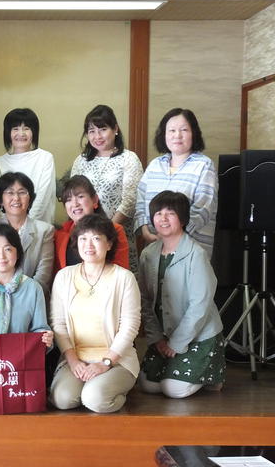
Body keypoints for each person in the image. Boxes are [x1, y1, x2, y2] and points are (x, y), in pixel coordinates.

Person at [49, 214, 141, 413]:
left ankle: (115, 392)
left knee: (94, 398)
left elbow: (130, 326)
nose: (88, 245)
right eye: (83, 238)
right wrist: (73, 361)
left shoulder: (124, 278)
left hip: (116, 360)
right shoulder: (64, 276)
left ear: (109, 244)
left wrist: (105, 363)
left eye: (96, 238)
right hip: (77, 359)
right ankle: (92, 386)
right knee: (62, 399)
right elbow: (58, 324)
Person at [138, 191, 225, 398]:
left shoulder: (196, 254)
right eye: (158, 213)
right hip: (164, 334)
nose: (163, 218)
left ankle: (211, 375)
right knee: (149, 385)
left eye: (170, 213)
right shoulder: (148, 254)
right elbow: (144, 301)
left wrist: (177, 343)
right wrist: (156, 338)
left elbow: (200, 305)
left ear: (183, 219)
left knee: (173, 390)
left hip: (198, 334)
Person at [60, 105, 143, 272]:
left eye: (103, 129)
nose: (97, 136)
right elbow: (72, 194)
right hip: (85, 239)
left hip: (116, 234)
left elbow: (130, 201)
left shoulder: (128, 158)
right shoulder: (81, 160)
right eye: (91, 131)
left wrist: (106, 232)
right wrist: (88, 235)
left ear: (115, 129)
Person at [135, 108, 217, 258]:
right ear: (164, 134)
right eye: (171, 130)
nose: (177, 135)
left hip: (190, 249)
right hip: (154, 246)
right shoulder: (155, 165)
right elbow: (140, 202)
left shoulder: (204, 165)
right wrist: (145, 231)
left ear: (194, 133)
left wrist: (171, 237)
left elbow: (204, 207)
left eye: (184, 130)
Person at [0, 172, 54, 298]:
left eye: (22, 192)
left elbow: (43, 276)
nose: (16, 198)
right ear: (1, 200)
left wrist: (20, 301)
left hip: (31, 299)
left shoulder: (45, 231)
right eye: (10, 192)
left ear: (30, 199)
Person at [0, 108, 57, 224]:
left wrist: (25, 226)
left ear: (34, 132)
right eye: (15, 129)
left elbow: (42, 199)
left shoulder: (45, 158)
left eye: (26, 128)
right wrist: (10, 226)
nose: (21, 134)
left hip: (38, 228)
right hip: (6, 230)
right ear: (8, 133)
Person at [55, 175, 130, 272]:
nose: (75, 204)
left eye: (80, 197)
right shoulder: (60, 234)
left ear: (94, 200)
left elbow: (120, 272)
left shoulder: (115, 230)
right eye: (68, 200)